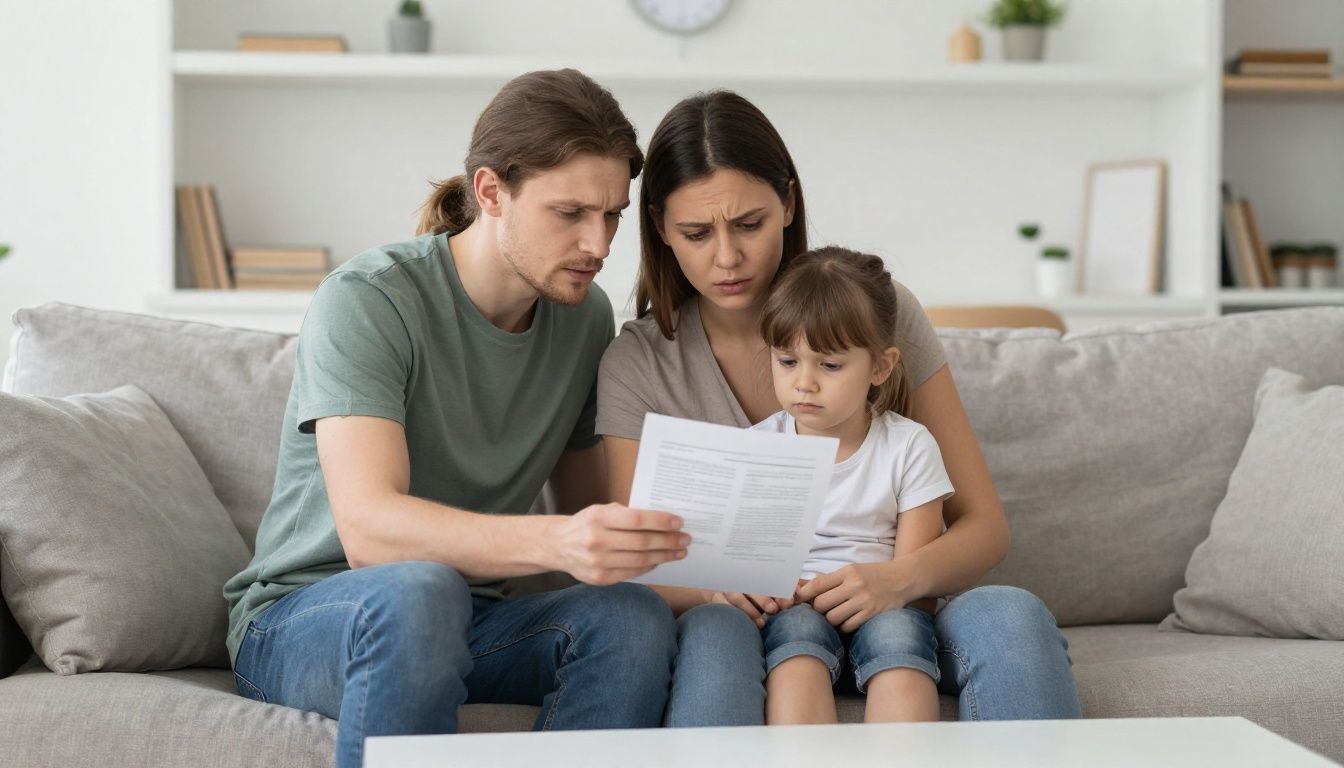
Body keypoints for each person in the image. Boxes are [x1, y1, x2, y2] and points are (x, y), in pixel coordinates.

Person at [223, 69, 690, 768]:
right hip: (310, 616)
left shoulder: (585, 317)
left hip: (469, 617)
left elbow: (588, 515)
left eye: (614, 213)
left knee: (630, 619)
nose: (600, 243)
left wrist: (657, 542)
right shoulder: (370, 300)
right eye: (570, 213)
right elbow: (371, 534)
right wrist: (560, 542)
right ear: (491, 192)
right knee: (421, 590)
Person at [596, 90, 1081, 724]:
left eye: (749, 224)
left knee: (1013, 613)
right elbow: (631, 566)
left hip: (901, 605)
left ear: (789, 203)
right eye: (695, 232)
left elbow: (984, 527)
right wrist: (715, 589)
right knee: (715, 634)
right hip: (753, 620)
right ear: (660, 227)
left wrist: (898, 581)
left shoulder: (877, 310)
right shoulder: (638, 363)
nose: (727, 257)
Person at [753, 246, 951, 725]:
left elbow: (917, 584)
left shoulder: (909, 446)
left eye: (829, 365)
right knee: (794, 641)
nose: (804, 383)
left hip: (889, 608)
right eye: (787, 361)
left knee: (901, 638)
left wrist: (878, 592)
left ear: (880, 368)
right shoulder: (759, 449)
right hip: (795, 612)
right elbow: (748, 569)